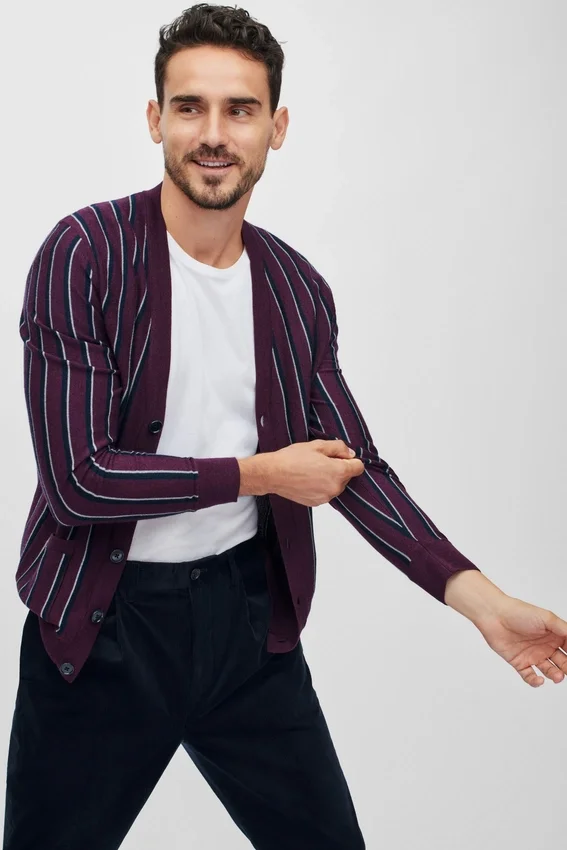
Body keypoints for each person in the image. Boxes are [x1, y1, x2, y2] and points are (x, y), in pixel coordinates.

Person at [4, 4, 567, 849]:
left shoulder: (296, 289)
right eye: (189, 107)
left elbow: (352, 467)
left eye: (240, 110)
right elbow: (81, 481)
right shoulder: (84, 254)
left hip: (245, 630)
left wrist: (480, 602)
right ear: (155, 119)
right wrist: (259, 473)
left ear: (276, 128)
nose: (213, 134)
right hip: (100, 634)